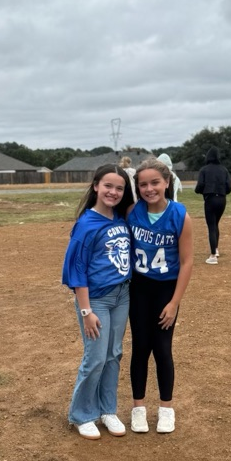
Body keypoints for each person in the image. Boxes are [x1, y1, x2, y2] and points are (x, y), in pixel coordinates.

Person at [62, 165, 134, 439]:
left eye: (119, 188)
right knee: (95, 358)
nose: (113, 192)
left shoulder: (120, 219)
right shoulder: (86, 224)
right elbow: (77, 268)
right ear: (96, 186)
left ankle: (108, 410)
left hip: (122, 295)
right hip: (96, 300)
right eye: (108, 186)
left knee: (113, 354)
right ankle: (82, 415)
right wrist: (86, 310)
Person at [127, 158, 194, 434]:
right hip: (139, 288)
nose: (149, 189)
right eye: (143, 184)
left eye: (155, 182)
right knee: (140, 348)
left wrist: (175, 302)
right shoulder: (132, 212)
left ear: (167, 182)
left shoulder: (179, 215)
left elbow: (187, 261)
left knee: (163, 349)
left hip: (166, 289)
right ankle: (138, 408)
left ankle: (166, 408)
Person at [195, 147, 231, 264]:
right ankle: (215, 249)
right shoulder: (224, 170)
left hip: (210, 199)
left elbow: (200, 185)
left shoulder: (204, 170)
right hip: (222, 199)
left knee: (211, 226)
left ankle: (213, 256)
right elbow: (229, 187)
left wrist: (199, 191)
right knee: (216, 224)